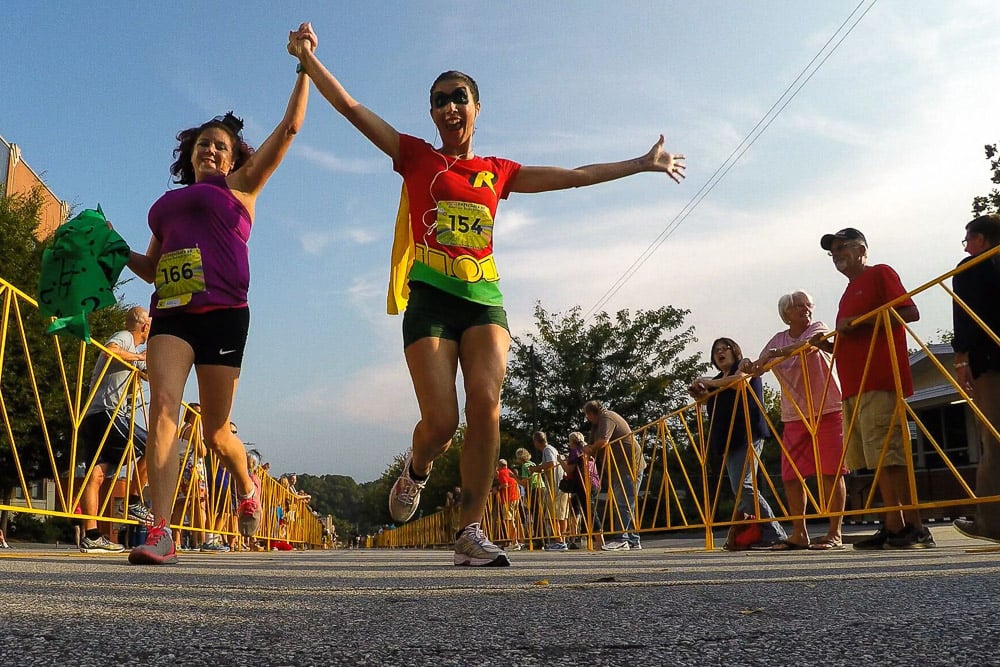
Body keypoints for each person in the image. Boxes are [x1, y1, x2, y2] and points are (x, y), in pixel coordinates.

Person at [287, 23, 685, 567]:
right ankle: (418, 467)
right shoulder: (415, 156)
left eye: (459, 98)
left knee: (487, 408)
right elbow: (354, 109)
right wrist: (309, 60)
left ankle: (470, 530)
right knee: (442, 423)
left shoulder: (497, 172)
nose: (449, 107)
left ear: (477, 107)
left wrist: (640, 164)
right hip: (429, 299)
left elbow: (572, 175)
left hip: (483, 302)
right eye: (438, 101)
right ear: (431, 113)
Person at [123, 30, 311, 565]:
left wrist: (303, 65)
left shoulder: (242, 188)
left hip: (226, 316)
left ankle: (244, 480)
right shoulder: (165, 206)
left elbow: (291, 128)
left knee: (214, 430)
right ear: (191, 152)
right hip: (173, 316)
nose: (211, 149)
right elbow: (152, 268)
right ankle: (160, 531)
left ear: (232, 159)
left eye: (220, 145)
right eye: (204, 143)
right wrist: (115, 251)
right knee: (162, 408)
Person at [814, 227, 931, 549]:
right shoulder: (848, 292)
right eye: (832, 251)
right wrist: (828, 344)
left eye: (843, 247)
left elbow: (910, 312)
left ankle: (910, 525)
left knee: (889, 453)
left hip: (879, 379)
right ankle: (896, 523)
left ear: (862, 249)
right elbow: (852, 336)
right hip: (853, 385)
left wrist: (861, 321)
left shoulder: (880, 273)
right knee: (874, 458)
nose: (837, 254)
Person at [742, 291, 847, 551]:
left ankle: (835, 533)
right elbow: (758, 367)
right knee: (791, 475)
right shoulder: (777, 338)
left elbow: (808, 344)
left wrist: (776, 354)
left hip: (827, 408)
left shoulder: (817, 327)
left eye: (808, 305)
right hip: (795, 414)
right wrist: (747, 364)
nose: (805, 309)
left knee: (831, 472)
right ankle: (800, 533)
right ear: (786, 313)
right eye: (798, 306)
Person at [689, 338, 787, 549]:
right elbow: (712, 401)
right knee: (739, 488)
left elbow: (738, 381)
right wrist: (702, 395)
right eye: (716, 351)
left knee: (744, 485)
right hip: (728, 438)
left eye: (725, 349)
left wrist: (709, 381)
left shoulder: (742, 366)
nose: (720, 353)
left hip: (747, 432)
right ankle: (745, 533)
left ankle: (774, 532)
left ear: (735, 351)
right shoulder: (718, 379)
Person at [78, 306, 153, 554]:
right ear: (143, 326)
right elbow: (110, 350)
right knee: (154, 444)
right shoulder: (125, 337)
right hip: (107, 412)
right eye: (150, 324)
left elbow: (144, 376)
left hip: (93, 414)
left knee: (96, 476)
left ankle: (91, 535)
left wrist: (148, 364)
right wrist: (141, 357)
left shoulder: (132, 349)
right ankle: (133, 500)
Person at [951, 214, 1000, 543]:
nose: (966, 247)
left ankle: (992, 522)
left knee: (993, 440)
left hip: (990, 360)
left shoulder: (970, 268)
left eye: (968, 240)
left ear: (980, 240)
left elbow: (965, 316)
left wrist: (961, 357)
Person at [582, 400, 646, 551]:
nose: (587, 419)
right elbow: (593, 444)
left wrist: (589, 448)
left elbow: (603, 441)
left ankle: (622, 539)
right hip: (619, 467)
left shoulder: (607, 417)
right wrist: (588, 448)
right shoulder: (597, 424)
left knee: (624, 503)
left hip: (629, 466)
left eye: (587, 415)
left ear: (591, 413)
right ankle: (633, 540)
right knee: (624, 503)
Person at [529, 431, 570, 551]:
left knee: (554, 516)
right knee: (562, 516)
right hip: (560, 486)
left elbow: (551, 463)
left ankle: (559, 541)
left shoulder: (547, 450)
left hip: (555, 487)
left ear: (536, 442)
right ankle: (562, 540)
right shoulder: (552, 449)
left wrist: (537, 468)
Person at [496, 459, 522, 550]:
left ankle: (515, 542)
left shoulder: (502, 472)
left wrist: (497, 488)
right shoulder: (509, 471)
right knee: (511, 520)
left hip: (508, 498)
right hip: (515, 497)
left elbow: (505, 484)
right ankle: (514, 541)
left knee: (509, 520)